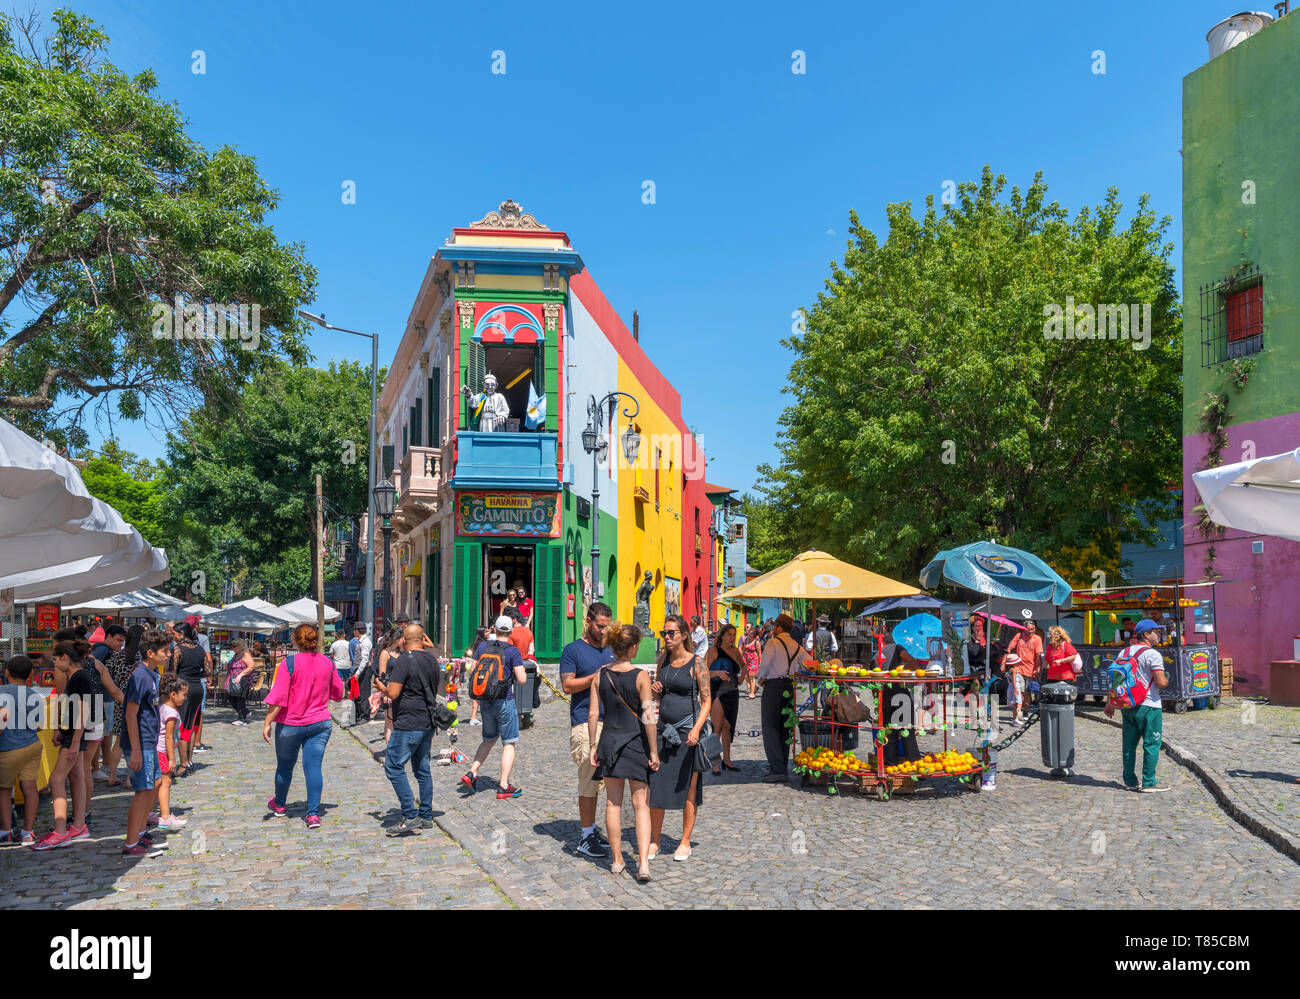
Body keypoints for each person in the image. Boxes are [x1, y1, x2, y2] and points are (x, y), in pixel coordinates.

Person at [589, 622, 659, 882]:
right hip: (635, 743)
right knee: (641, 804)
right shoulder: (641, 676)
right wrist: (654, 751)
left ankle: (617, 860)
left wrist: (593, 746)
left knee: (612, 803)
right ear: (633, 648)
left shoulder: (600, 675)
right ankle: (642, 864)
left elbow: (594, 713)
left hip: (609, 741)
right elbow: (649, 716)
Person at [263, 623, 346, 829]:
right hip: (319, 723)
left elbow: (279, 698)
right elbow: (338, 693)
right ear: (316, 640)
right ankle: (313, 814)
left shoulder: (288, 663)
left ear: (295, 641)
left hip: (291, 723)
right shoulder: (328, 663)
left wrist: (267, 722)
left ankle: (280, 804)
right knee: (313, 767)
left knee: (284, 766)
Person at [647, 613, 710, 862]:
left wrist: (696, 728)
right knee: (657, 786)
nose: (667, 637)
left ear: (684, 635)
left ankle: (685, 841)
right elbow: (657, 699)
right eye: (664, 633)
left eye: (671, 633)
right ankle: (655, 840)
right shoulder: (662, 660)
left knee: (688, 788)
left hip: (687, 734)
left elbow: (706, 701)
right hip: (664, 731)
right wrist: (655, 693)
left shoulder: (697, 663)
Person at [377, 624, 443, 836]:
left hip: (408, 722)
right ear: (422, 638)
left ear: (404, 641)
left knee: (393, 766)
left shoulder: (405, 659)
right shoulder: (433, 659)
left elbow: (394, 693)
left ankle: (410, 814)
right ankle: (425, 815)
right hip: (427, 723)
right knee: (422, 770)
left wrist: (381, 687)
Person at [559, 602, 614, 859]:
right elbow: (568, 685)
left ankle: (593, 831)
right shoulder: (573, 650)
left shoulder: (612, 650)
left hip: (612, 723)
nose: (603, 631)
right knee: (589, 780)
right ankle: (585, 836)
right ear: (588, 621)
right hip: (584, 723)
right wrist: (596, 677)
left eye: (607, 626)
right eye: (599, 626)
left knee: (605, 783)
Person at [32, 638, 96, 850]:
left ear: (65, 658)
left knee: (56, 780)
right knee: (75, 777)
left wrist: (76, 740)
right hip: (72, 734)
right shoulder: (78, 676)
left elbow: (83, 709)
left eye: (56, 659)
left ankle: (60, 831)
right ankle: (79, 825)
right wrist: (60, 728)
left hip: (74, 737)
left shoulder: (79, 677)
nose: (54, 664)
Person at [460, 616, 527, 798]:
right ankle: (504, 785)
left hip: (485, 701)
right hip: (504, 700)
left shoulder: (482, 647)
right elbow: (522, 679)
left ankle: (472, 772)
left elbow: (473, 671)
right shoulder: (513, 651)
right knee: (509, 742)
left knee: (488, 739)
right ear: (511, 630)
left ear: (495, 630)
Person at [1106, 619, 1170, 792]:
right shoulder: (1153, 654)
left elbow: (1115, 680)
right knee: (1152, 743)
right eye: (1156, 631)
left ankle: (1130, 780)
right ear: (1146, 634)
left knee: (1129, 744)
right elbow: (1161, 682)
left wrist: (1110, 702)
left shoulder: (1124, 652)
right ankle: (1149, 781)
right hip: (1149, 705)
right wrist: (1167, 678)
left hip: (1128, 704)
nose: (1159, 634)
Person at [121, 629, 169, 855]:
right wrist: (137, 750)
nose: (168, 655)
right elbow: (131, 714)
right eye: (164, 651)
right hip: (140, 742)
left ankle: (140, 832)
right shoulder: (140, 676)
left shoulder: (151, 674)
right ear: (150, 653)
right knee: (143, 790)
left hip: (149, 739)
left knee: (156, 784)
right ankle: (131, 843)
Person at [756, 613, 814, 783]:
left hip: (773, 686)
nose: (773, 629)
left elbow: (764, 666)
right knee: (785, 727)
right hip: (790, 687)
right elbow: (810, 661)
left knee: (770, 726)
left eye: (775, 626)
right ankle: (781, 765)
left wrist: (760, 679)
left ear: (779, 627)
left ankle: (777, 768)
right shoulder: (796, 645)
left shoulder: (773, 642)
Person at [0, 655, 44, 845]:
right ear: (29, 675)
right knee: (30, 788)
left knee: (3, 789)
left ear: (6, 673)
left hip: (8, 748)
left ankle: (6, 830)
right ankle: (27, 832)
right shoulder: (33, 694)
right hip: (32, 746)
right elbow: (39, 725)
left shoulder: (2, 692)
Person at [104, 624, 144, 786]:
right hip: (137, 702)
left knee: (120, 741)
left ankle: (112, 776)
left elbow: (106, 676)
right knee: (136, 740)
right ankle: (130, 778)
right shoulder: (143, 658)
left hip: (119, 701)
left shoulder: (115, 657)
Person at [169, 622, 211, 774]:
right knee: (192, 724)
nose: (173, 636)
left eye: (174, 633)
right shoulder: (200, 648)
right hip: (197, 688)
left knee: (181, 726)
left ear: (181, 633)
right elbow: (208, 670)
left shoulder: (178, 648)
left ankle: (183, 763)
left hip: (182, 688)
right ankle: (189, 760)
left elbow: (173, 672)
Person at [705, 624, 743, 773]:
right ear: (722, 636)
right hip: (717, 692)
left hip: (733, 692)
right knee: (717, 727)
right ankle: (715, 762)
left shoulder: (735, 651)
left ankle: (727, 761)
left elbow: (744, 665)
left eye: (734, 635)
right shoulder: (713, 651)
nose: (732, 638)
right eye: (729, 635)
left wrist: (741, 678)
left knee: (728, 727)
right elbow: (702, 671)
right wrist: (717, 673)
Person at [154, 674, 188, 831]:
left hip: (158, 750)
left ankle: (150, 812)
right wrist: (172, 759)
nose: (185, 698)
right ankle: (165, 816)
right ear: (173, 695)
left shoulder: (162, 707)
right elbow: (168, 736)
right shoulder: (171, 713)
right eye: (184, 695)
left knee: (158, 783)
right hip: (163, 751)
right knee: (165, 782)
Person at [1005, 621, 1043, 726]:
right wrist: (1006, 661)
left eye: (1032, 629)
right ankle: (1016, 716)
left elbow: (1038, 657)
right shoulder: (1019, 636)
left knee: (1027, 694)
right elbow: (1009, 647)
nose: (1030, 631)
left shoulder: (1037, 639)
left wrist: (1037, 668)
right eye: (1028, 629)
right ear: (1023, 628)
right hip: (1019, 669)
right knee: (1019, 693)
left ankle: (1025, 711)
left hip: (1030, 670)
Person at [226, 642, 255, 724]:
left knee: (240, 699)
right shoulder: (236, 655)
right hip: (233, 680)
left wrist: (240, 675)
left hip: (243, 680)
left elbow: (251, 666)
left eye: (234, 646)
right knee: (231, 697)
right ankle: (245, 713)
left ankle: (242, 718)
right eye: (231, 646)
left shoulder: (245, 654)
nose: (232, 648)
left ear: (240, 646)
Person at [465, 627, 488, 727]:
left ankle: (474, 717)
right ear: (482, 633)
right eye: (486, 631)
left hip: (477, 672)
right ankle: (473, 717)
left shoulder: (476, 643)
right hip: (479, 672)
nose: (488, 633)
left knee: (478, 697)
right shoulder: (482, 645)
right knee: (478, 697)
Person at [352, 623, 374, 723]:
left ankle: (365, 716)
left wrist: (358, 672)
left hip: (364, 670)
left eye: (354, 630)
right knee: (358, 693)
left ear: (357, 631)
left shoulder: (365, 642)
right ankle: (360, 714)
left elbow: (365, 659)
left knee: (364, 693)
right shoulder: (361, 641)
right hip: (360, 670)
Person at [740, 624, 761, 699]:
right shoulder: (745, 639)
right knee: (747, 676)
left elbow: (759, 653)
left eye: (752, 632)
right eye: (749, 631)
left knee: (752, 677)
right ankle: (754, 688)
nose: (750, 632)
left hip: (753, 661)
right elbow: (743, 649)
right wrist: (741, 658)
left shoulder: (756, 642)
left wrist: (760, 662)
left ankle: (752, 694)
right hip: (746, 660)